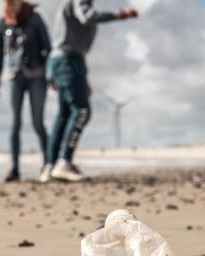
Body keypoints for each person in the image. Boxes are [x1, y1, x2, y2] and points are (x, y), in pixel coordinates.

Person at [43, 0, 138, 183]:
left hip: (63, 60)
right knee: (82, 111)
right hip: (67, 60)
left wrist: (82, 76)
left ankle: (50, 165)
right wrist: (120, 15)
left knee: (63, 114)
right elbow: (87, 17)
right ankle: (64, 162)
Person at [0, 0, 52, 183]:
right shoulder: (2, 22)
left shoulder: (35, 19)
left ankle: (48, 164)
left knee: (37, 122)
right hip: (14, 76)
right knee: (14, 123)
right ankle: (14, 168)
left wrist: (50, 75)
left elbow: (48, 48)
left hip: (37, 76)